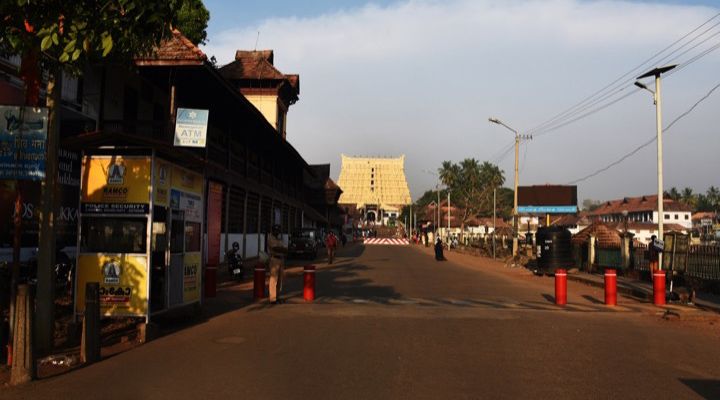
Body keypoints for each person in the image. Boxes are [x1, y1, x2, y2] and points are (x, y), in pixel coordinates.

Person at [267, 224, 287, 305]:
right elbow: (276, 248)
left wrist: (284, 250)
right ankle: (273, 299)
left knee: (280, 280)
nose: (277, 232)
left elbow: (284, 247)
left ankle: (277, 296)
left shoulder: (278, 239)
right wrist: (283, 250)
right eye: (276, 230)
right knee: (273, 279)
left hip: (281, 259)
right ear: (273, 231)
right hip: (274, 259)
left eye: (278, 230)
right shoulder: (270, 238)